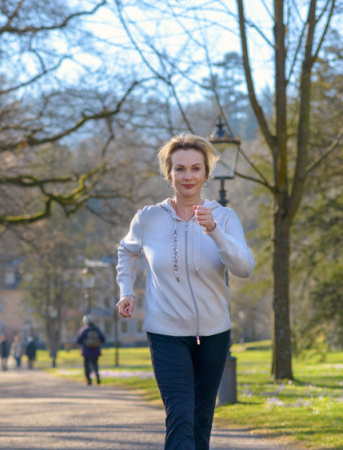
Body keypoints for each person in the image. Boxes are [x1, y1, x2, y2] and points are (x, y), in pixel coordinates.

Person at [116, 134, 255, 449]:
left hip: (214, 333)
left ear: (206, 174)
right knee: (180, 415)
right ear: (169, 174)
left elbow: (244, 268)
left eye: (195, 168)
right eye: (180, 169)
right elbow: (126, 251)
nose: (188, 176)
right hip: (166, 333)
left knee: (201, 419)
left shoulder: (224, 217)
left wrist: (215, 231)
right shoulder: (148, 218)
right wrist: (126, 289)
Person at [76, 314, 105, 385]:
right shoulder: (97, 329)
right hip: (95, 350)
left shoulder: (84, 330)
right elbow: (103, 339)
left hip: (86, 351)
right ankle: (97, 374)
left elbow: (79, 340)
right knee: (95, 364)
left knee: (86, 366)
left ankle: (89, 380)